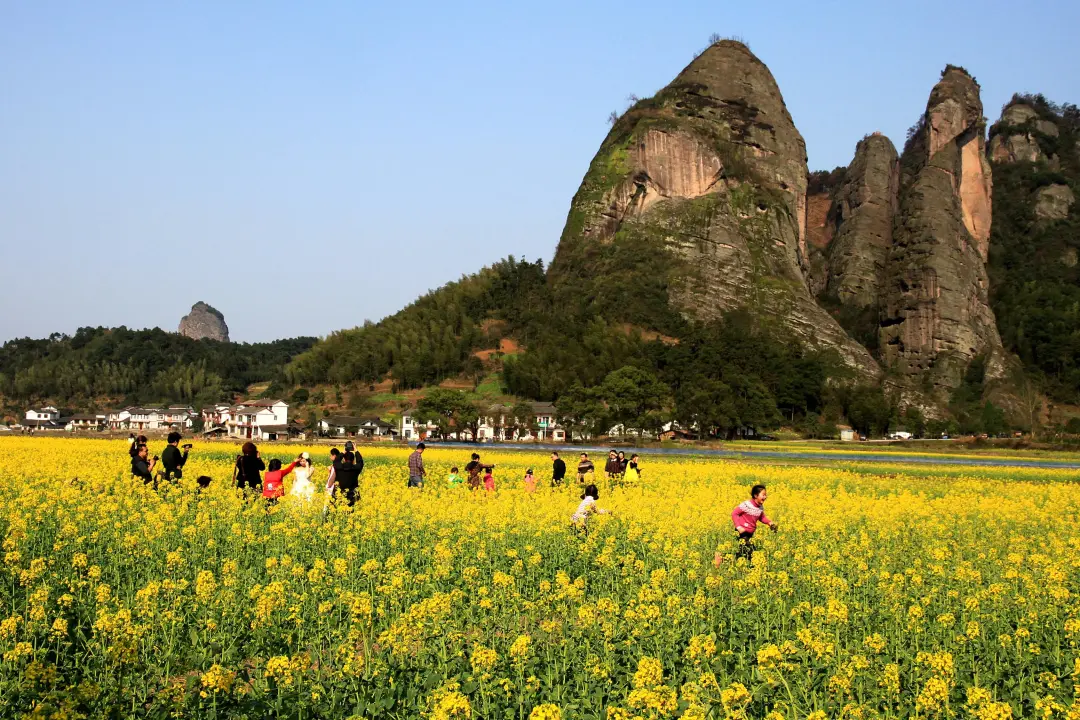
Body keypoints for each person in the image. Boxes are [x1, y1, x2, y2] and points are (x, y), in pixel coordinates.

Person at [716, 484, 778, 567]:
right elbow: (734, 514)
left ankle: (722, 559)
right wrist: (739, 527)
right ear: (756, 495)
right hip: (742, 532)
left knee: (741, 552)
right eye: (763, 495)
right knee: (750, 551)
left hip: (750, 534)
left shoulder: (759, 507)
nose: (765, 497)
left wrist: (770, 523)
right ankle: (752, 568)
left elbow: (762, 517)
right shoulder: (746, 505)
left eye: (765, 495)